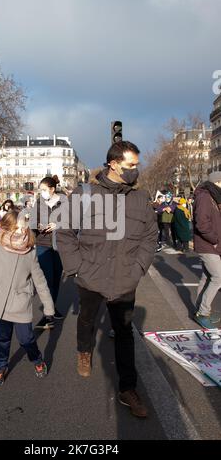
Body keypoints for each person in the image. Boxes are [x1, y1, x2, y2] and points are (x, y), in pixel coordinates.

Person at [56, 140, 157, 418]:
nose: (136, 170)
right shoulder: (84, 194)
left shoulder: (140, 197)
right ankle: (84, 351)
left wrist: (138, 268)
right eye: (131, 165)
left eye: (137, 165)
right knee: (86, 320)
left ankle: (128, 389)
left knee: (124, 334)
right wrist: (77, 267)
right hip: (90, 276)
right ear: (113, 164)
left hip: (125, 278)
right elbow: (64, 232)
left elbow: (151, 237)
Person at [0, 193, 55, 386]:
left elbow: (40, 281)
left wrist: (48, 308)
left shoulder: (29, 251)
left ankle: (37, 359)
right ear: (7, 226)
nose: (22, 232)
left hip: (19, 303)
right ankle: (0, 366)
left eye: (24, 228)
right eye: (18, 228)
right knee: (2, 339)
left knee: (26, 339)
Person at [30, 176, 67, 329]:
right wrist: (38, 225)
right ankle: (48, 315)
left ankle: (52, 308)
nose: (42, 193)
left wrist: (57, 224)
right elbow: (32, 223)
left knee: (57, 278)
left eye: (44, 190)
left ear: (52, 189)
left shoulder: (65, 202)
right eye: (41, 190)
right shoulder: (38, 203)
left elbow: (73, 221)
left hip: (60, 245)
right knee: (48, 279)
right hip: (43, 244)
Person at [193, 172, 221, 329]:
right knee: (218, 278)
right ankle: (203, 312)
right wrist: (214, 240)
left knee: (207, 277)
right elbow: (201, 224)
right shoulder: (205, 197)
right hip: (207, 245)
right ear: (217, 182)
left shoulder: (213, 197)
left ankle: (200, 310)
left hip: (211, 245)